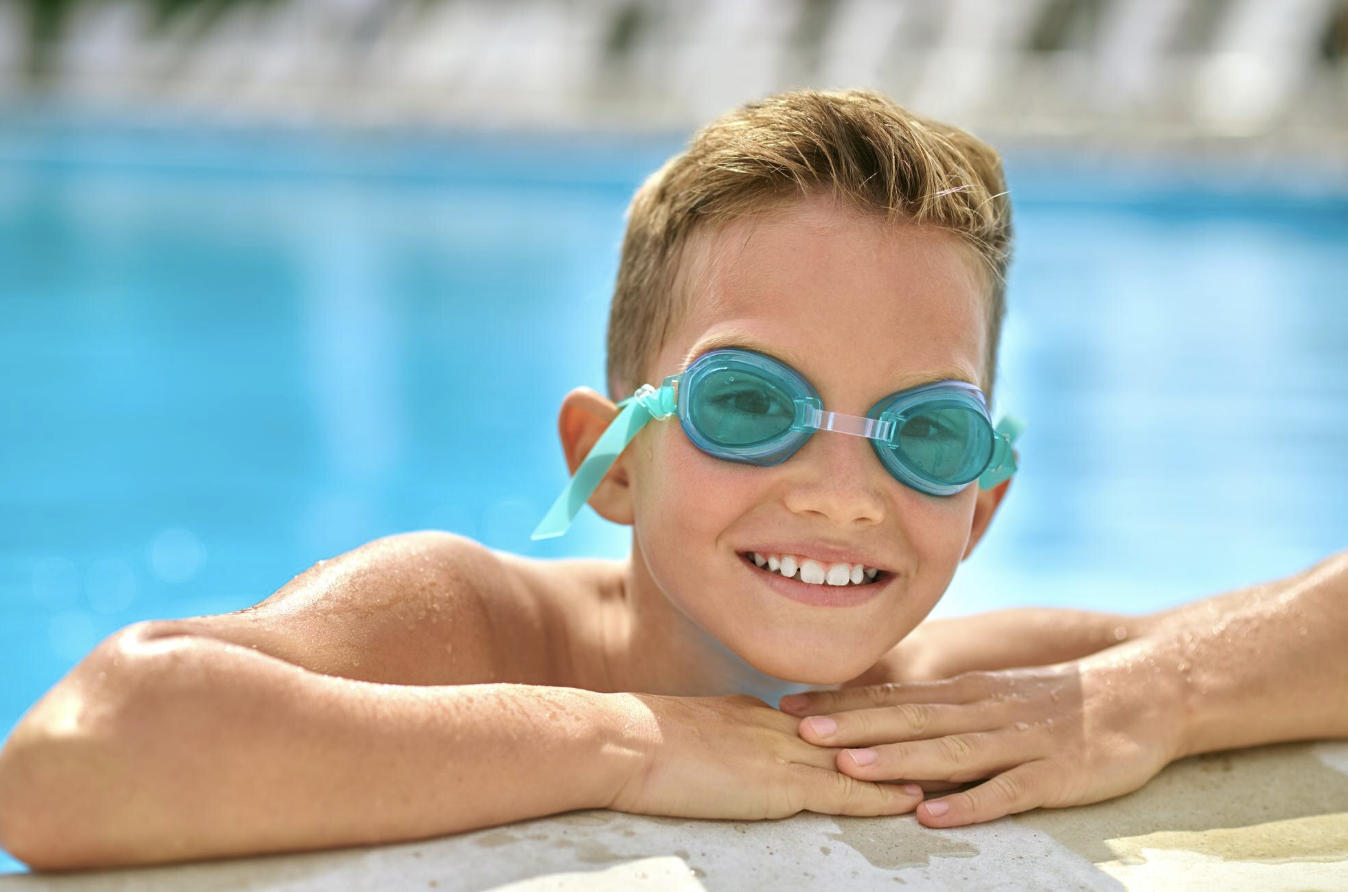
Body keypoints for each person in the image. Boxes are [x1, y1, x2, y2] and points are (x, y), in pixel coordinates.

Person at [1, 89, 1344, 873]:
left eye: (924, 434)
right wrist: (633, 745)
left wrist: (1157, 693)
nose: (837, 492)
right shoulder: (471, 627)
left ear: (982, 506)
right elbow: (74, 761)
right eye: (750, 405)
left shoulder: (962, 705)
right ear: (613, 459)